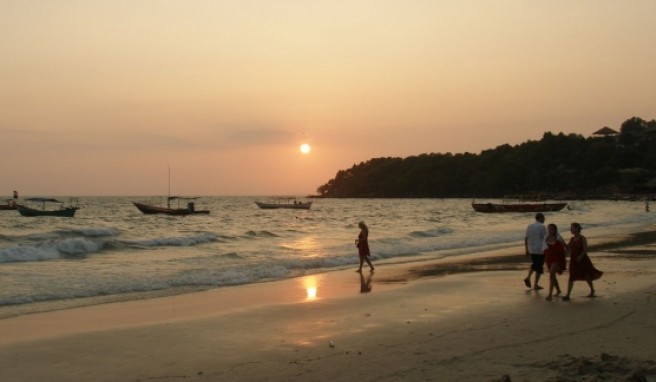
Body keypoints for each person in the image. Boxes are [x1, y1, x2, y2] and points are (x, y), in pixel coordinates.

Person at [562, 222, 603, 301]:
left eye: (572, 228)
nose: (570, 229)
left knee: (587, 275)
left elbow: (585, 249)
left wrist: (580, 256)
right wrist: (563, 243)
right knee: (571, 276)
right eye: (571, 228)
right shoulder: (572, 239)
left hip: (583, 259)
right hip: (573, 260)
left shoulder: (582, 238)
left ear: (577, 229)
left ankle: (592, 290)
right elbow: (568, 248)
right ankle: (568, 294)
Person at [544, 223, 567, 301]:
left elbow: (565, 246)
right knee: (553, 275)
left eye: (550, 229)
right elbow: (543, 248)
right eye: (548, 229)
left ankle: (550, 294)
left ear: (554, 230)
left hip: (557, 258)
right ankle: (558, 290)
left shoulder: (558, 237)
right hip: (549, 258)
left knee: (551, 275)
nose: (549, 230)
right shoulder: (546, 237)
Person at [524, 213, 547, 290]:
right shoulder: (542, 227)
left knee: (535, 264)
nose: (544, 219)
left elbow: (526, 238)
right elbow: (546, 238)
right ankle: (535, 284)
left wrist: (526, 249)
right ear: (540, 218)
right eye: (543, 218)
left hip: (532, 249)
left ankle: (528, 277)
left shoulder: (529, 226)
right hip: (540, 249)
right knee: (539, 267)